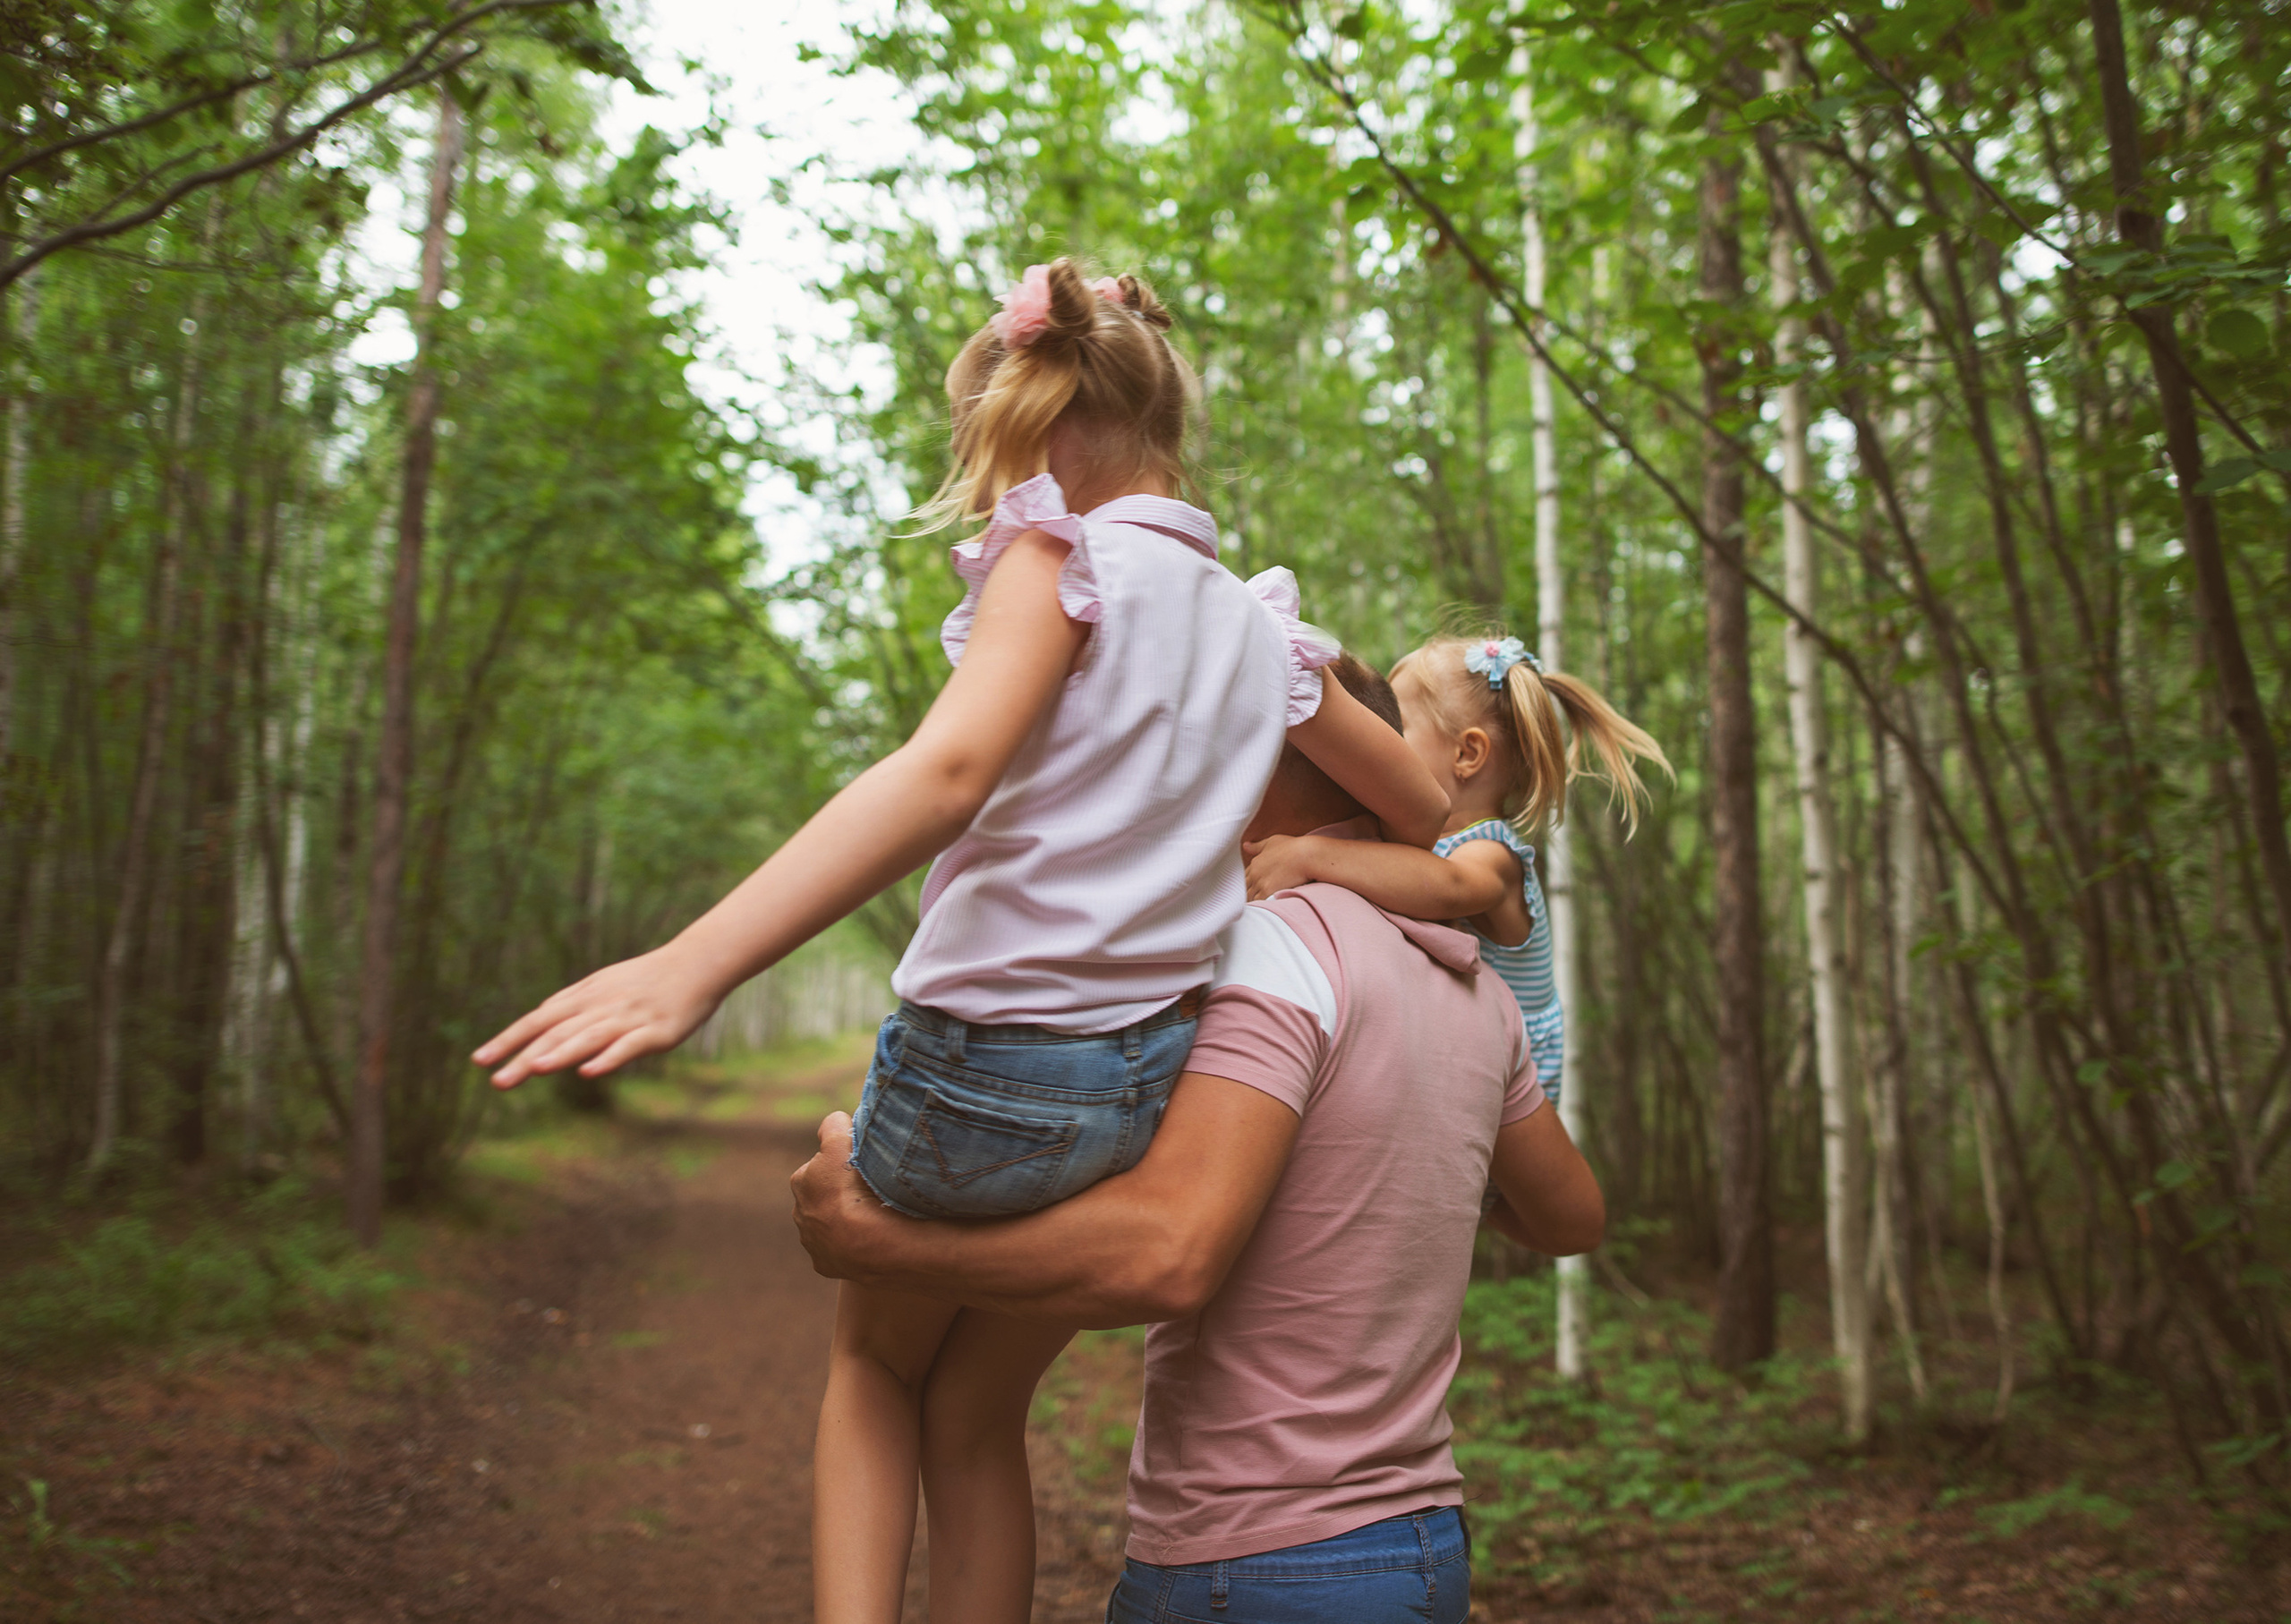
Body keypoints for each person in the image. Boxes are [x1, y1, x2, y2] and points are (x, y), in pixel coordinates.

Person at [473, 257, 1448, 1624]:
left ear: (1041, 437)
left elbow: (945, 774)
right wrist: (1309, 850)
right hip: (1136, 1086)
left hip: (976, 1061)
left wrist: (687, 962)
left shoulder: (1058, 556)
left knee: (875, 1370)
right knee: (979, 1410)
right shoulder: (1264, 628)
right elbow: (1430, 815)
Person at [791, 654, 1605, 1623]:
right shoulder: (1478, 988)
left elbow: (1170, 1255)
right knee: (970, 1409)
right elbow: (1569, 1217)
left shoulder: (1266, 948)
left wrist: (876, 1240)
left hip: (1252, 1566)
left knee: (885, 1368)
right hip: (1421, 1551)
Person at [1242, 630, 1667, 1104]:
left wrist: (1310, 854)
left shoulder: (1494, 853)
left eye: (1397, 730)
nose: (1381, 742)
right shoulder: (1429, 851)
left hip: (1512, 1101)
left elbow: (1449, 887)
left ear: (1467, 754)